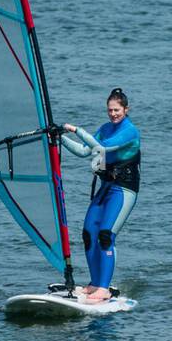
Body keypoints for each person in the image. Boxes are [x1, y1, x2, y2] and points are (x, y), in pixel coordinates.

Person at [60, 88, 140, 302]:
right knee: (88, 233)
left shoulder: (130, 131)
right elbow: (84, 151)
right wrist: (60, 138)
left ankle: (103, 288)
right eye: (110, 110)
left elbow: (102, 147)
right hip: (106, 188)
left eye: (117, 110)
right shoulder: (105, 128)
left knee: (106, 235)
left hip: (123, 190)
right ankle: (95, 283)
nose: (113, 114)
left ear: (126, 109)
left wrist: (76, 129)